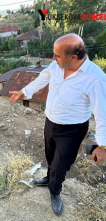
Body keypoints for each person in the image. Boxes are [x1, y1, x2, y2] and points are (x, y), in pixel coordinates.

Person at [9, 33, 106, 216]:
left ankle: (55, 191)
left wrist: (102, 146)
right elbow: (42, 79)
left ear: (74, 57)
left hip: (72, 129)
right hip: (50, 122)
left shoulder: (96, 78)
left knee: (60, 165)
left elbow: (103, 115)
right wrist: (24, 91)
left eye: (57, 55)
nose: (53, 58)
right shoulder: (56, 65)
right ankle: (48, 178)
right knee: (50, 155)